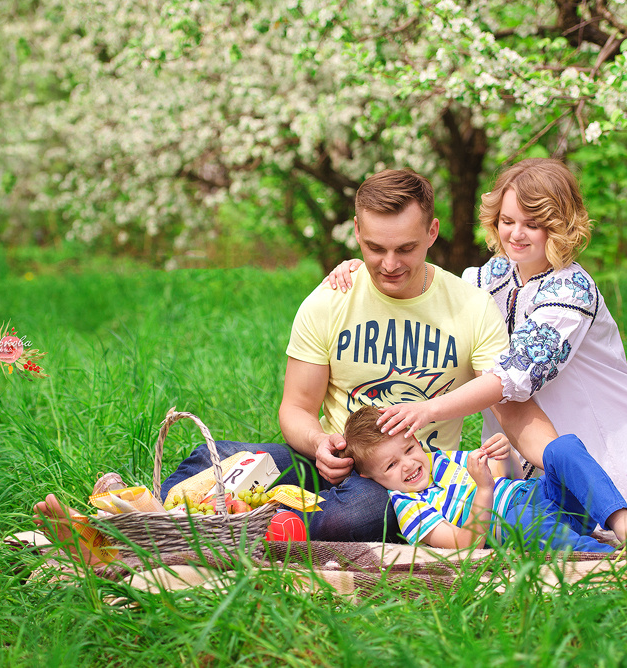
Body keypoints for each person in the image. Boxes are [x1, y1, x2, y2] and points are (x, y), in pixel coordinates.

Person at [143, 168, 560, 543]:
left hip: (400, 481)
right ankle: (148, 514)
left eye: (406, 249)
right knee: (245, 460)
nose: (390, 264)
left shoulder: (471, 306)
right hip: (329, 461)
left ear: (433, 232)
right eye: (376, 248)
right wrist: (318, 442)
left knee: (366, 513)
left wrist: (567, 469)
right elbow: (296, 407)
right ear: (357, 231)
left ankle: (247, 526)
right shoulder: (329, 300)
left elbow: (509, 402)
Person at [325, 158, 627, 521]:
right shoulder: (494, 275)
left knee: (609, 514)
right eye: (507, 221)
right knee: (532, 516)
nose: (516, 234)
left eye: (532, 224)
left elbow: (512, 375)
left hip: (594, 425)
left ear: (561, 227)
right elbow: (431, 288)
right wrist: (362, 267)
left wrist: (429, 409)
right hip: (522, 432)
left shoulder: (572, 289)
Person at [340, 405, 627, 554]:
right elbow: (467, 544)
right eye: (391, 465)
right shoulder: (408, 506)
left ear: (416, 438)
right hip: (516, 523)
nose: (408, 464)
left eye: (409, 449)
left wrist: (504, 456)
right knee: (519, 519)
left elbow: (511, 481)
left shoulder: (441, 460)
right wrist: (482, 490)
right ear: (369, 476)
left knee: (563, 447)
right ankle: (606, 559)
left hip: (544, 498)